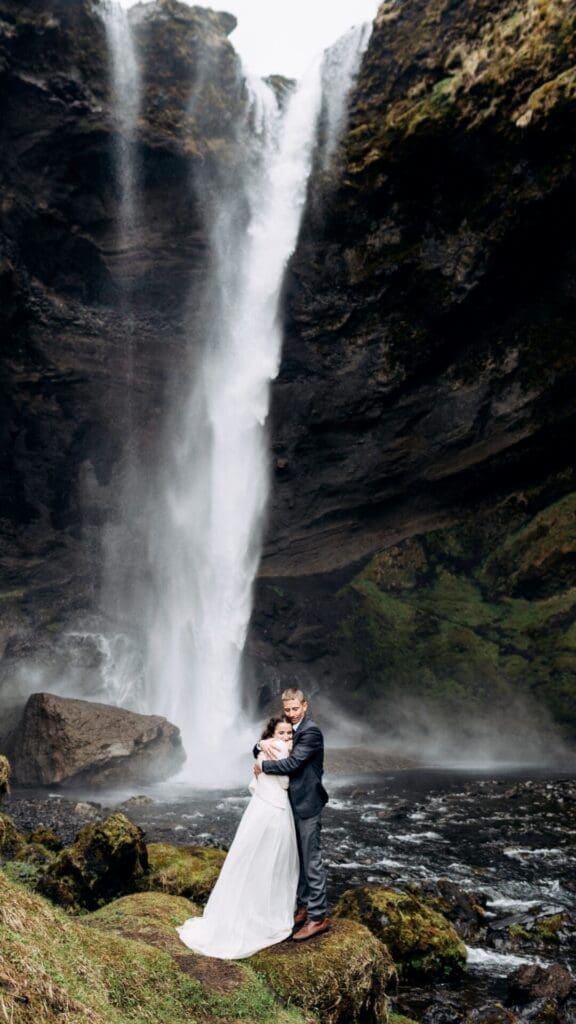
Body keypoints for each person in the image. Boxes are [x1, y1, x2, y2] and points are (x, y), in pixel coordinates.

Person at [177, 717, 298, 959]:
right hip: (276, 810)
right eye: (281, 732)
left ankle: (243, 912)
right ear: (272, 734)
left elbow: (256, 781)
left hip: (260, 809)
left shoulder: (264, 747)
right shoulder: (281, 748)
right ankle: (266, 914)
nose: (286, 737)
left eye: (289, 733)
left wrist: (261, 748)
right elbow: (285, 779)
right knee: (274, 860)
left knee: (252, 860)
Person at [254, 687, 330, 940]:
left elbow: (292, 763)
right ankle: (303, 906)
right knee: (297, 858)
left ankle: (318, 917)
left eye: (295, 708)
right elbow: (266, 744)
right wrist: (259, 746)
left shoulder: (311, 732)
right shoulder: (290, 729)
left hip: (307, 803)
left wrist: (262, 765)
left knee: (311, 860)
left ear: (305, 706)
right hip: (291, 803)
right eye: (287, 709)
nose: (291, 713)